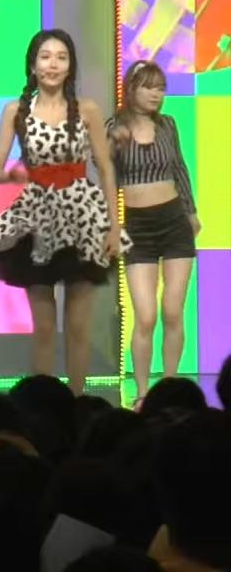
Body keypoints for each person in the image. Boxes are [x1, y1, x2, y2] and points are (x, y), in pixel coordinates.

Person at [0, 29, 128, 395]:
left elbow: (106, 169)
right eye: (45, 57)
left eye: (61, 57)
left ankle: (76, 403)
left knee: (78, 327)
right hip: (37, 218)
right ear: (32, 65)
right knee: (43, 328)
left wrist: (113, 225)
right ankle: (41, 406)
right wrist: (15, 174)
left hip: (83, 217)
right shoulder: (16, 111)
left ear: (70, 66)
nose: (53, 64)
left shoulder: (87, 110)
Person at [106, 61, 199, 401]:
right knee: (145, 316)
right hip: (138, 228)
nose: (156, 94)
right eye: (149, 87)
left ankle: (170, 390)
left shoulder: (168, 125)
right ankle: (143, 393)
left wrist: (191, 211)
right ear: (131, 89)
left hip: (174, 222)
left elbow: (180, 169)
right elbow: (105, 176)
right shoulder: (114, 128)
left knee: (173, 310)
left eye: (161, 88)